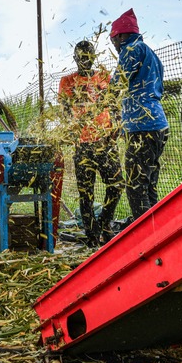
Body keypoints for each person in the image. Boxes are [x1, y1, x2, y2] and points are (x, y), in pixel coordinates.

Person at [58, 40, 123, 247]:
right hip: (83, 144)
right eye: (81, 57)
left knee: (117, 184)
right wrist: (72, 129)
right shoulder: (68, 81)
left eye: (88, 57)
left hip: (105, 142)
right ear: (75, 58)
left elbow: (114, 105)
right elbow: (65, 111)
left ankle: (104, 222)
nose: (85, 60)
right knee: (86, 192)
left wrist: (118, 125)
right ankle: (92, 235)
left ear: (94, 57)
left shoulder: (104, 77)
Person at [110, 8, 169, 220]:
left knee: (135, 187)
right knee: (148, 184)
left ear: (121, 36)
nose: (114, 47)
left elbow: (118, 83)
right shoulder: (150, 53)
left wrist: (103, 99)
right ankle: (158, 232)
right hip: (158, 124)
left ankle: (143, 240)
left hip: (142, 126)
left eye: (114, 41)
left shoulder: (131, 49)